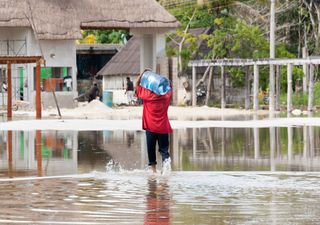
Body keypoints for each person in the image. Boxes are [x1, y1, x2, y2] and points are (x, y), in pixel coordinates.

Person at [136, 69, 172, 175]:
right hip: (163, 127)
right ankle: (166, 168)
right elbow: (168, 85)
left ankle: (153, 171)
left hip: (150, 127)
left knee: (151, 149)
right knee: (164, 150)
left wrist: (144, 74)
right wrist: (159, 79)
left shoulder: (146, 95)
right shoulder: (166, 96)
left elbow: (137, 85)